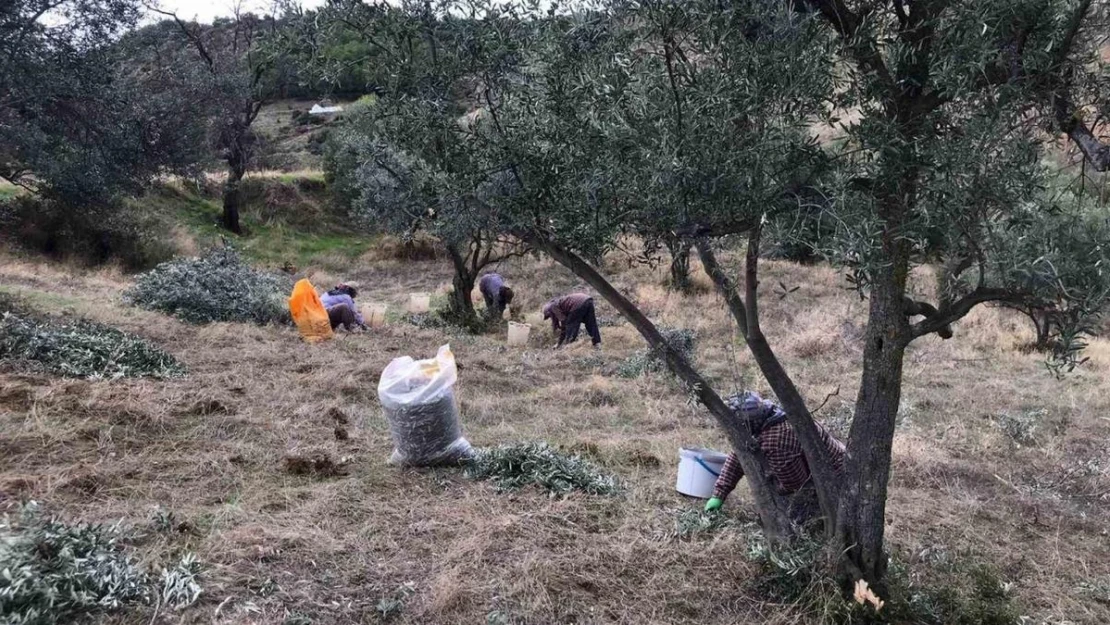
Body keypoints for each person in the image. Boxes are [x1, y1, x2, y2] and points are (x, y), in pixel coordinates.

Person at [705, 391, 846, 526]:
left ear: (749, 422)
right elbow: (739, 454)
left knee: (797, 519)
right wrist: (719, 493)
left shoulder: (777, 440)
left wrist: (769, 486)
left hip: (835, 478)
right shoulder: (767, 416)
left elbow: (796, 485)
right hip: (821, 467)